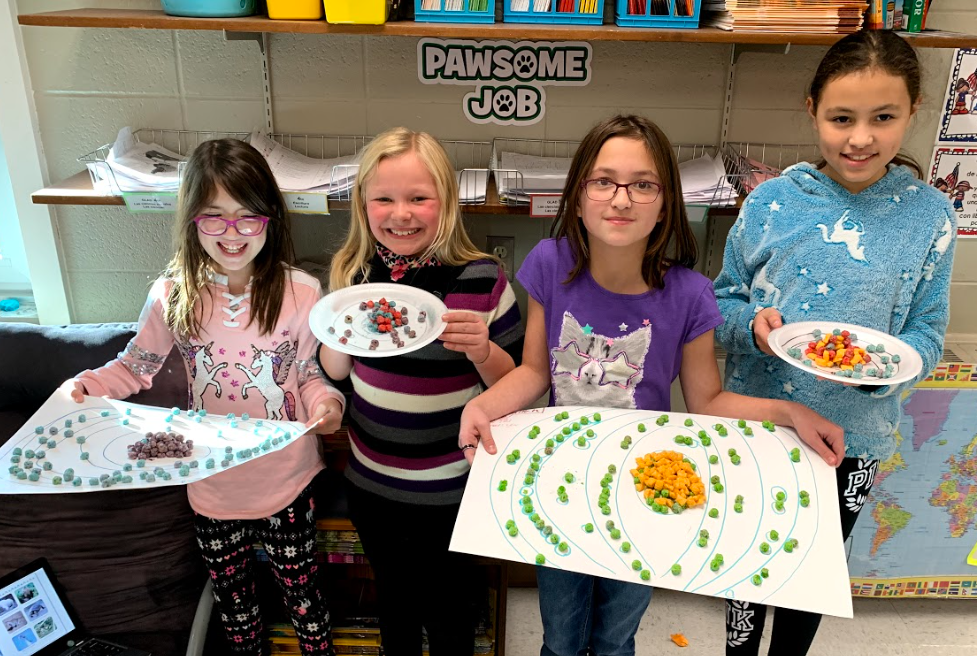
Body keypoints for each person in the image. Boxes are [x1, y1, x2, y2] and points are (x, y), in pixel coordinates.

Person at [458, 114, 843, 656]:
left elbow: (708, 401)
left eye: (642, 184)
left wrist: (788, 412)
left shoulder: (690, 294)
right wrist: (484, 405)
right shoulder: (550, 264)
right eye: (603, 181)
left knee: (616, 638)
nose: (621, 199)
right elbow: (535, 372)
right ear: (578, 194)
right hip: (561, 483)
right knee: (562, 638)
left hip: (642, 495)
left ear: (665, 202)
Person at [712, 30, 956, 656]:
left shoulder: (929, 216)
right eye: (841, 118)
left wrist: (895, 369)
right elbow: (721, 303)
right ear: (812, 109)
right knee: (749, 559)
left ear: (913, 113)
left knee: (812, 569)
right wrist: (752, 328)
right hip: (760, 422)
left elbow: (927, 329)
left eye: (884, 117)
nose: (860, 138)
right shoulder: (770, 202)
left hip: (857, 435)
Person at [66, 138, 344, 656]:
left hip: (287, 479)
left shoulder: (303, 292)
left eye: (247, 218)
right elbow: (135, 367)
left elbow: (308, 375)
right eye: (213, 217)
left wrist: (327, 406)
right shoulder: (172, 293)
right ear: (192, 219)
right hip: (211, 486)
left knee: (305, 602)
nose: (232, 234)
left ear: (270, 219)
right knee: (236, 614)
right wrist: (87, 386)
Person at [317, 127, 523, 655]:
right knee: (395, 604)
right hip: (372, 483)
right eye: (383, 198)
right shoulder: (356, 274)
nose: (400, 213)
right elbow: (336, 371)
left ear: (446, 204)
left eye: (418, 198)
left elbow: (518, 383)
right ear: (363, 205)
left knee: (452, 610)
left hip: (452, 487)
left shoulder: (482, 279)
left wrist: (482, 349)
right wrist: (337, 326)